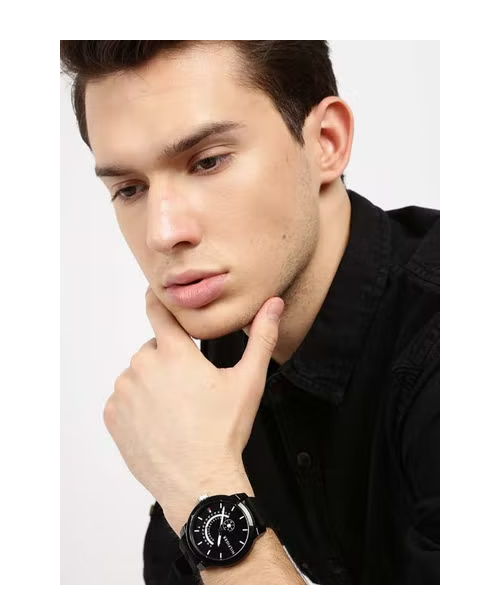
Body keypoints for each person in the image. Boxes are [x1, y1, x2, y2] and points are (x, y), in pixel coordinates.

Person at [60, 40, 439, 585]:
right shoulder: (203, 373)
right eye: (130, 188)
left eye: (208, 161)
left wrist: (207, 490)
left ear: (326, 143)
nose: (163, 233)